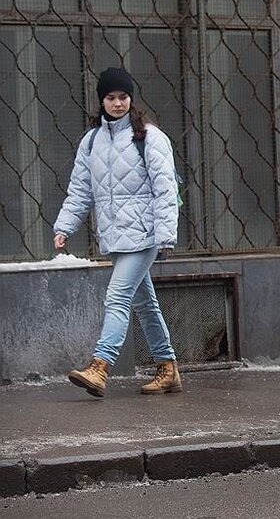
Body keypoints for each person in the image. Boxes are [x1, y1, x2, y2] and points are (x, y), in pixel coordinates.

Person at [54, 67, 182, 398]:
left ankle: (100, 367)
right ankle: (168, 369)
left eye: (123, 97)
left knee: (118, 295)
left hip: (144, 234)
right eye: (111, 97)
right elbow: (81, 189)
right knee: (145, 303)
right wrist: (65, 226)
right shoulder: (92, 140)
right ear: (102, 100)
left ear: (131, 99)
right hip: (115, 236)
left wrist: (165, 235)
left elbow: (165, 189)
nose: (117, 103)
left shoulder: (150, 137)